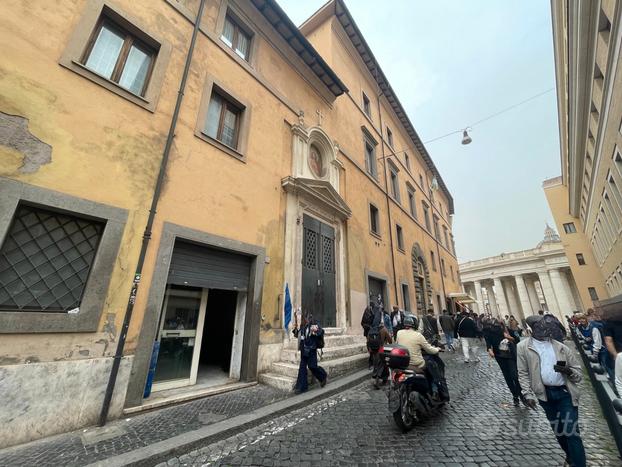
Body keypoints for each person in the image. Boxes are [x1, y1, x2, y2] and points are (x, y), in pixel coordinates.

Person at [517, 315, 586, 467]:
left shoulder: (561, 347)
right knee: (559, 431)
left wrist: (568, 371)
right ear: (532, 328)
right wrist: (527, 394)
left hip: (565, 394)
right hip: (545, 396)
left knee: (571, 432)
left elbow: (578, 375)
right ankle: (570, 456)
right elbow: (522, 372)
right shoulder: (523, 347)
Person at [396, 315, 447, 400]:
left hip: (404, 362)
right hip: (416, 364)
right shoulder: (418, 335)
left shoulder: (399, 333)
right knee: (432, 369)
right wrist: (437, 349)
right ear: (415, 324)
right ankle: (435, 391)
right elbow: (430, 350)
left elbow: (398, 344)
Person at [484, 318, 526, 406]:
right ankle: (515, 396)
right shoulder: (488, 332)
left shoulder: (506, 330)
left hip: (510, 354)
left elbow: (517, 339)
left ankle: (521, 394)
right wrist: (489, 350)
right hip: (500, 356)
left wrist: (508, 337)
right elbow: (488, 343)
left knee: (514, 375)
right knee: (508, 376)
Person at [292, 316, 327, 394]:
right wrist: (295, 329)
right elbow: (297, 335)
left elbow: (321, 332)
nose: (306, 319)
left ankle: (323, 376)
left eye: (307, 318)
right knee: (302, 368)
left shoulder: (314, 323)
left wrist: (316, 330)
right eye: (305, 318)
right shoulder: (302, 326)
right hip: (304, 350)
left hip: (311, 349)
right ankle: (301, 387)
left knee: (312, 366)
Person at [604, 311, 622, 396]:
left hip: (618, 354)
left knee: (618, 377)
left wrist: (615, 355)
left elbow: (609, 341)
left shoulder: (609, 323)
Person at [371, 319, 392, 388]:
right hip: (382, 349)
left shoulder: (373, 329)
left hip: (374, 350)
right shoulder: (384, 329)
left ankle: (382, 380)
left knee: (377, 364)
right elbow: (390, 341)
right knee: (383, 364)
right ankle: (378, 380)